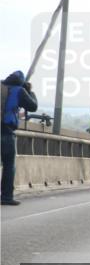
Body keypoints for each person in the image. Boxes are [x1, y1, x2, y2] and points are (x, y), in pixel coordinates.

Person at [1, 71, 38, 205]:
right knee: (8, 165)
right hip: (6, 131)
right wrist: (30, 92)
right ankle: (6, 197)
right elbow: (33, 106)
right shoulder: (19, 91)